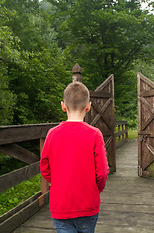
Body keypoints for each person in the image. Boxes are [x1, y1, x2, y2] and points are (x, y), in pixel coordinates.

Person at [40, 82, 110, 233]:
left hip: (61, 205)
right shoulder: (95, 134)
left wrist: (60, 183)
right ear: (88, 106)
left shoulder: (52, 133)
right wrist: (95, 189)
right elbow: (103, 171)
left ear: (63, 106)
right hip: (87, 205)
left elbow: (44, 166)